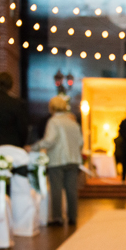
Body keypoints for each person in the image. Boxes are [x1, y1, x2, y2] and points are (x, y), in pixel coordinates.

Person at [29, 96, 84, 226]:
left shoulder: (54, 121)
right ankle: (72, 217)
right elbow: (81, 142)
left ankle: (57, 217)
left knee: (57, 189)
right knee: (71, 189)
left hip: (58, 159)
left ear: (52, 107)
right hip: (73, 160)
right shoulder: (73, 123)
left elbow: (49, 141)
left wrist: (33, 147)